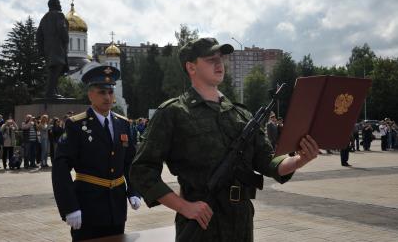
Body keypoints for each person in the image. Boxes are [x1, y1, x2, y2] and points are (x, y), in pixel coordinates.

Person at [129, 37, 320, 242]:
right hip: (202, 224)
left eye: (220, 58)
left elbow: (268, 162)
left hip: (241, 221)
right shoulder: (174, 113)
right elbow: (142, 169)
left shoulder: (241, 114)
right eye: (211, 59)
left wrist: (300, 159)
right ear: (191, 68)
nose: (219, 63)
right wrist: (183, 206)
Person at [52, 65, 141, 241]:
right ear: (90, 95)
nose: (107, 97)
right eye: (101, 92)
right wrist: (69, 207)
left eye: (110, 92)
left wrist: (133, 190)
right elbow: (60, 169)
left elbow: (130, 161)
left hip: (116, 206)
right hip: (87, 206)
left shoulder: (122, 124)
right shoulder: (76, 125)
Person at [36, 0, 69, 98]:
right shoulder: (59, 15)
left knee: (52, 70)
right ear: (55, 5)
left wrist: (41, 49)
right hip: (58, 47)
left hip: (48, 49)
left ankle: (52, 90)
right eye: (59, 3)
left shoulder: (44, 18)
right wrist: (66, 39)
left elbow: (38, 35)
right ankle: (50, 92)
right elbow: (62, 28)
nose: (60, 5)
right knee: (56, 69)